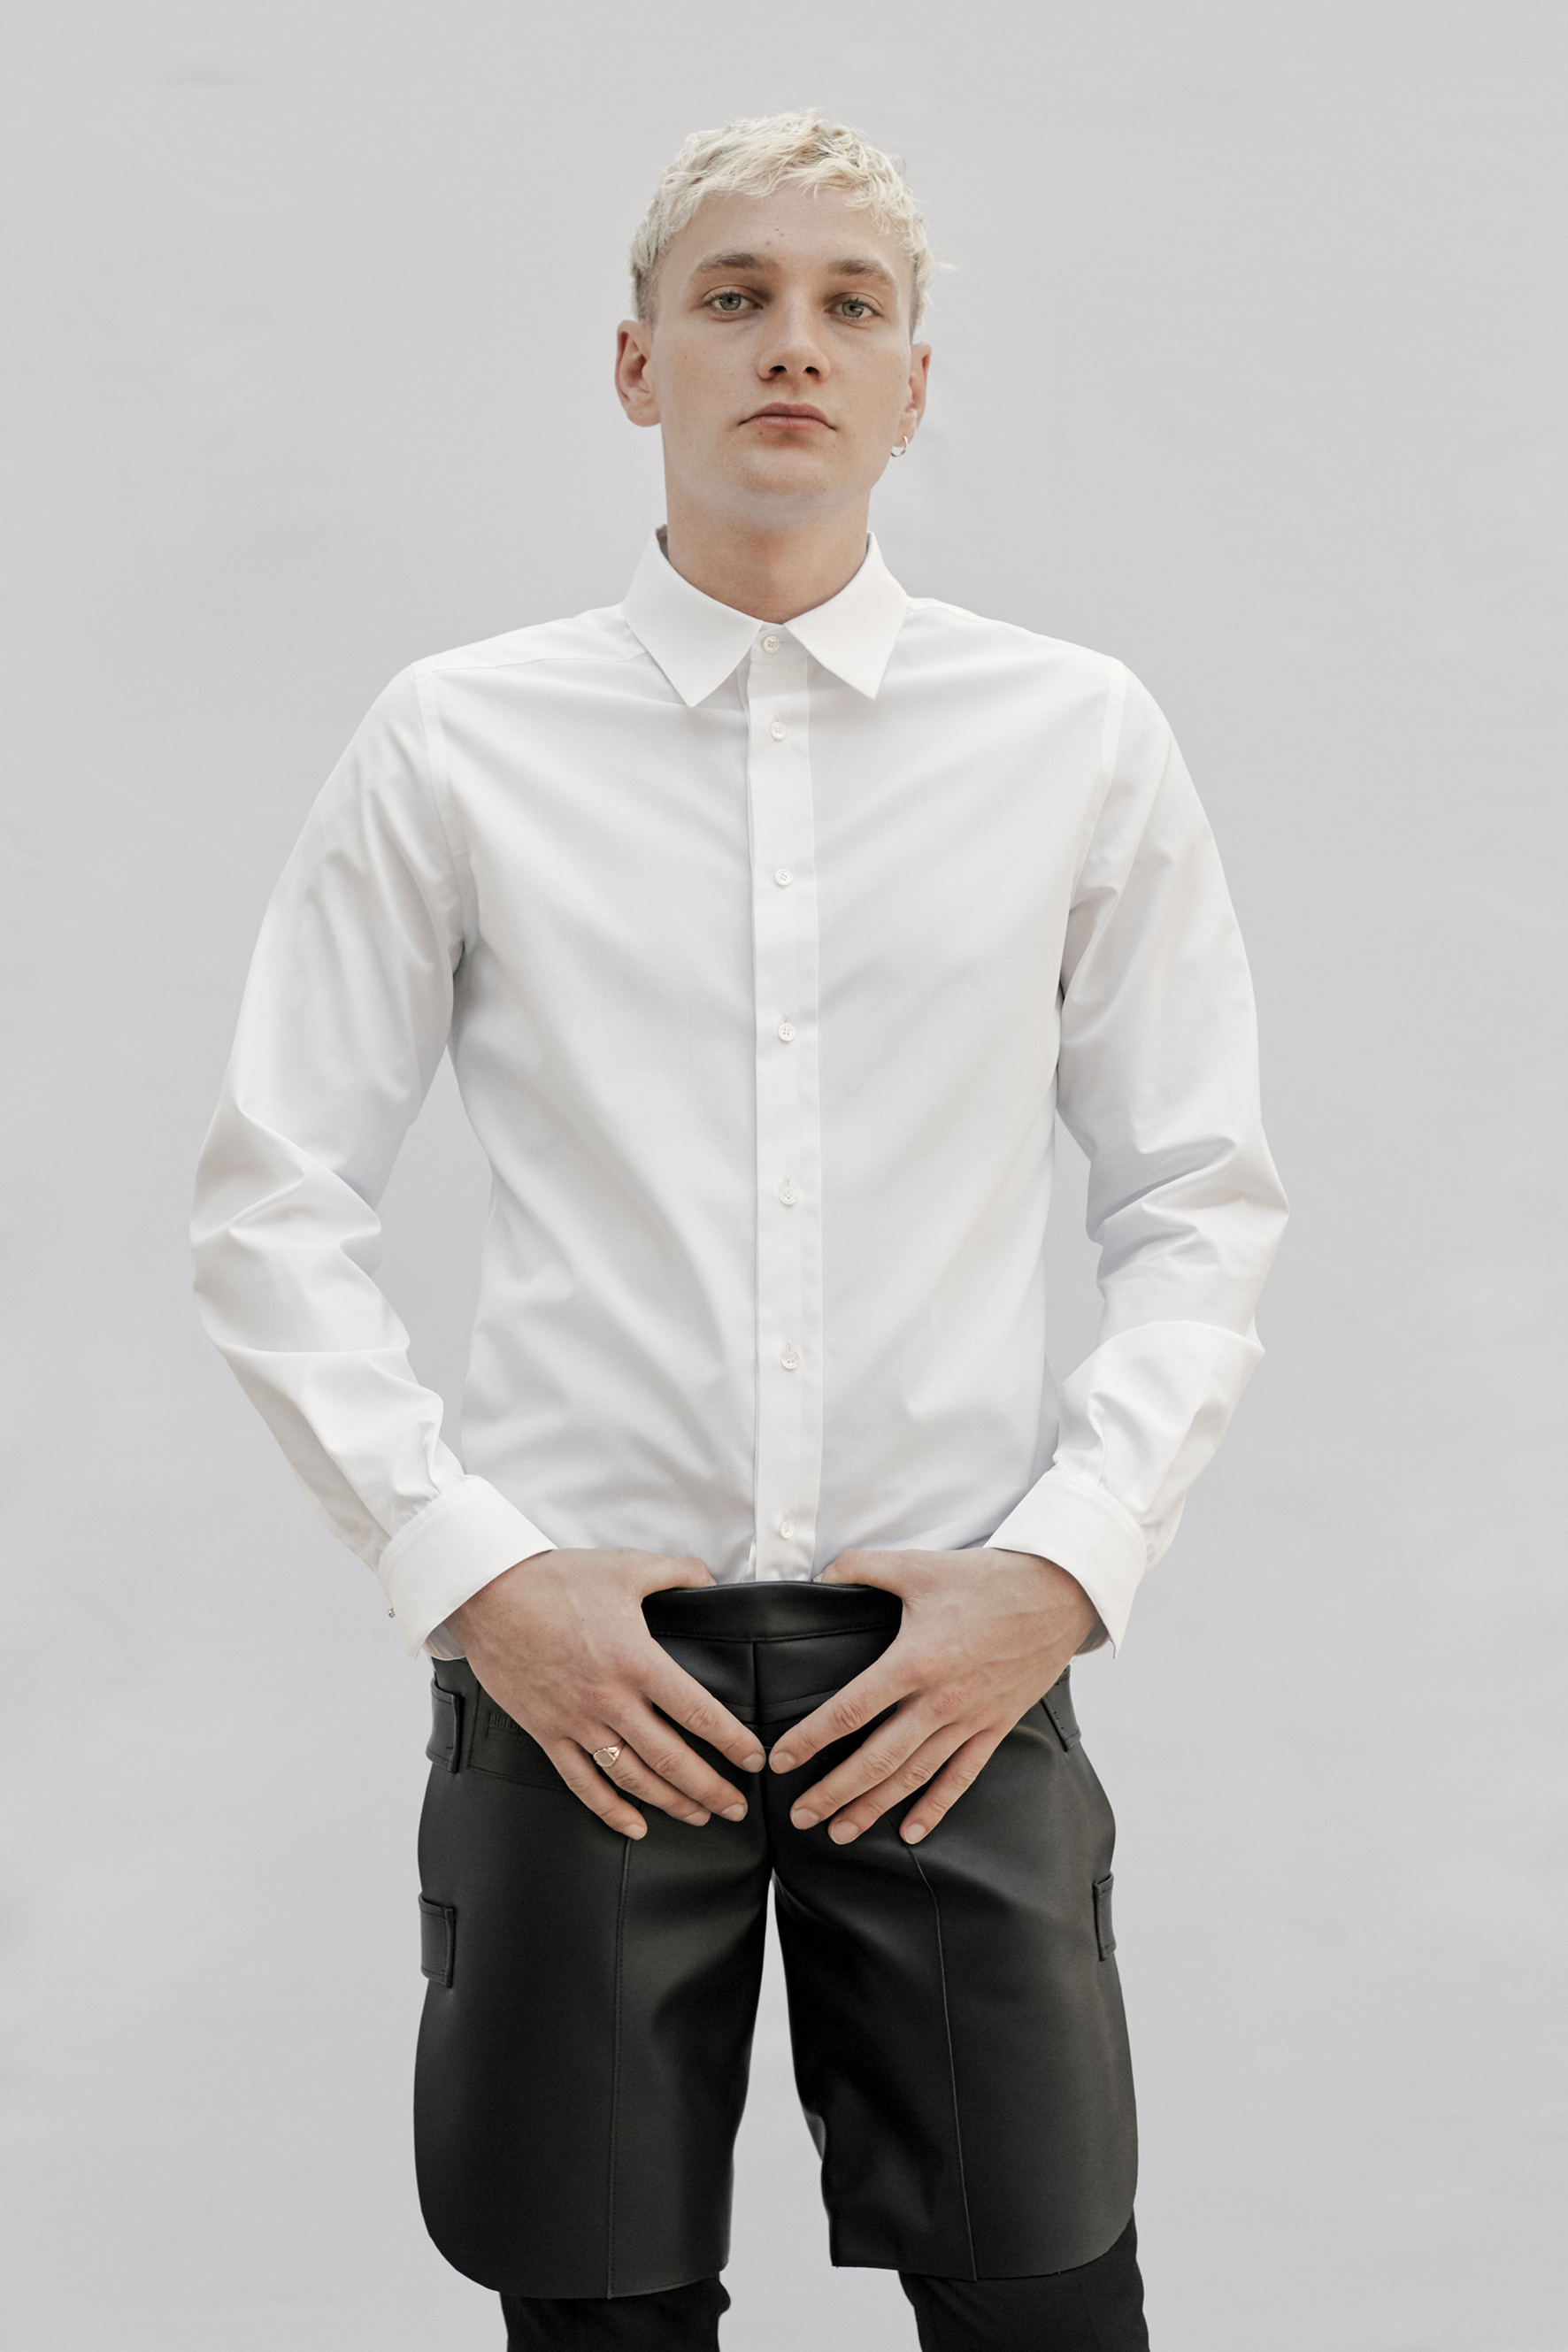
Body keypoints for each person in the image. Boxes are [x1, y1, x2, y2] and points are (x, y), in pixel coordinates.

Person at [192, 110, 1287, 2352]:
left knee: (1048, 2296)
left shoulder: (1072, 739)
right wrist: (473, 1578)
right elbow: (269, 1201)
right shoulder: (459, 741)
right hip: (583, 1673)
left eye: (847, 305)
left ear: (909, 385)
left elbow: (1197, 1196)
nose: (793, 342)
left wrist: (1065, 1567)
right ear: (637, 364)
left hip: (952, 1670)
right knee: (592, 2316)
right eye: (735, 297)